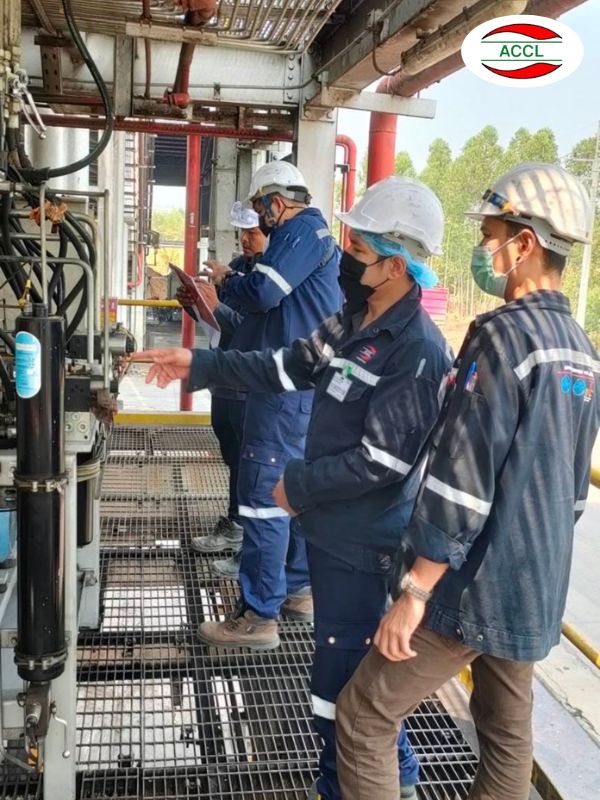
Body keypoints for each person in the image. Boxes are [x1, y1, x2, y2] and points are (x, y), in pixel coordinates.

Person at [133, 175, 454, 800]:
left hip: (366, 547)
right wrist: (197, 363)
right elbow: (285, 364)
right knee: (337, 691)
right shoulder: (353, 320)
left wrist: (297, 486)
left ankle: (390, 786)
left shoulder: (416, 350)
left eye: (357, 251)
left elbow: (383, 460)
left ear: (395, 265)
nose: (344, 260)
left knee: (354, 694)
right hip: (333, 536)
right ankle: (344, 783)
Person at [334, 163, 600, 800]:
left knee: (364, 716)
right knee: (506, 737)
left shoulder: (502, 338)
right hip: (536, 585)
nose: (483, 249)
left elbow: (463, 479)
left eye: (489, 235)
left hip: (473, 584)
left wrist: (416, 591)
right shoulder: (581, 349)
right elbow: (571, 493)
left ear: (525, 243)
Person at [177, 160, 341, 644]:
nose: (259, 222)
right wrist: (211, 304)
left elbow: (264, 293)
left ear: (276, 202)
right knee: (294, 493)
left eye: (259, 209)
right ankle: (297, 591)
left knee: (264, 497)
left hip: (282, 394)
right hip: (296, 388)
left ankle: (258, 615)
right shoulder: (307, 246)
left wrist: (227, 282)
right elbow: (258, 324)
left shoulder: (301, 231)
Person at [181, 202, 267, 579]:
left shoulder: (269, 282)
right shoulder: (235, 269)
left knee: (253, 466)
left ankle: (248, 541)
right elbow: (218, 323)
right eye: (243, 232)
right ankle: (235, 524)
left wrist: (218, 305)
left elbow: (256, 333)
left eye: (254, 233)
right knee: (235, 459)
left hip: (250, 387)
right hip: (226, 383)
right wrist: (194, 305)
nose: (246, 239)